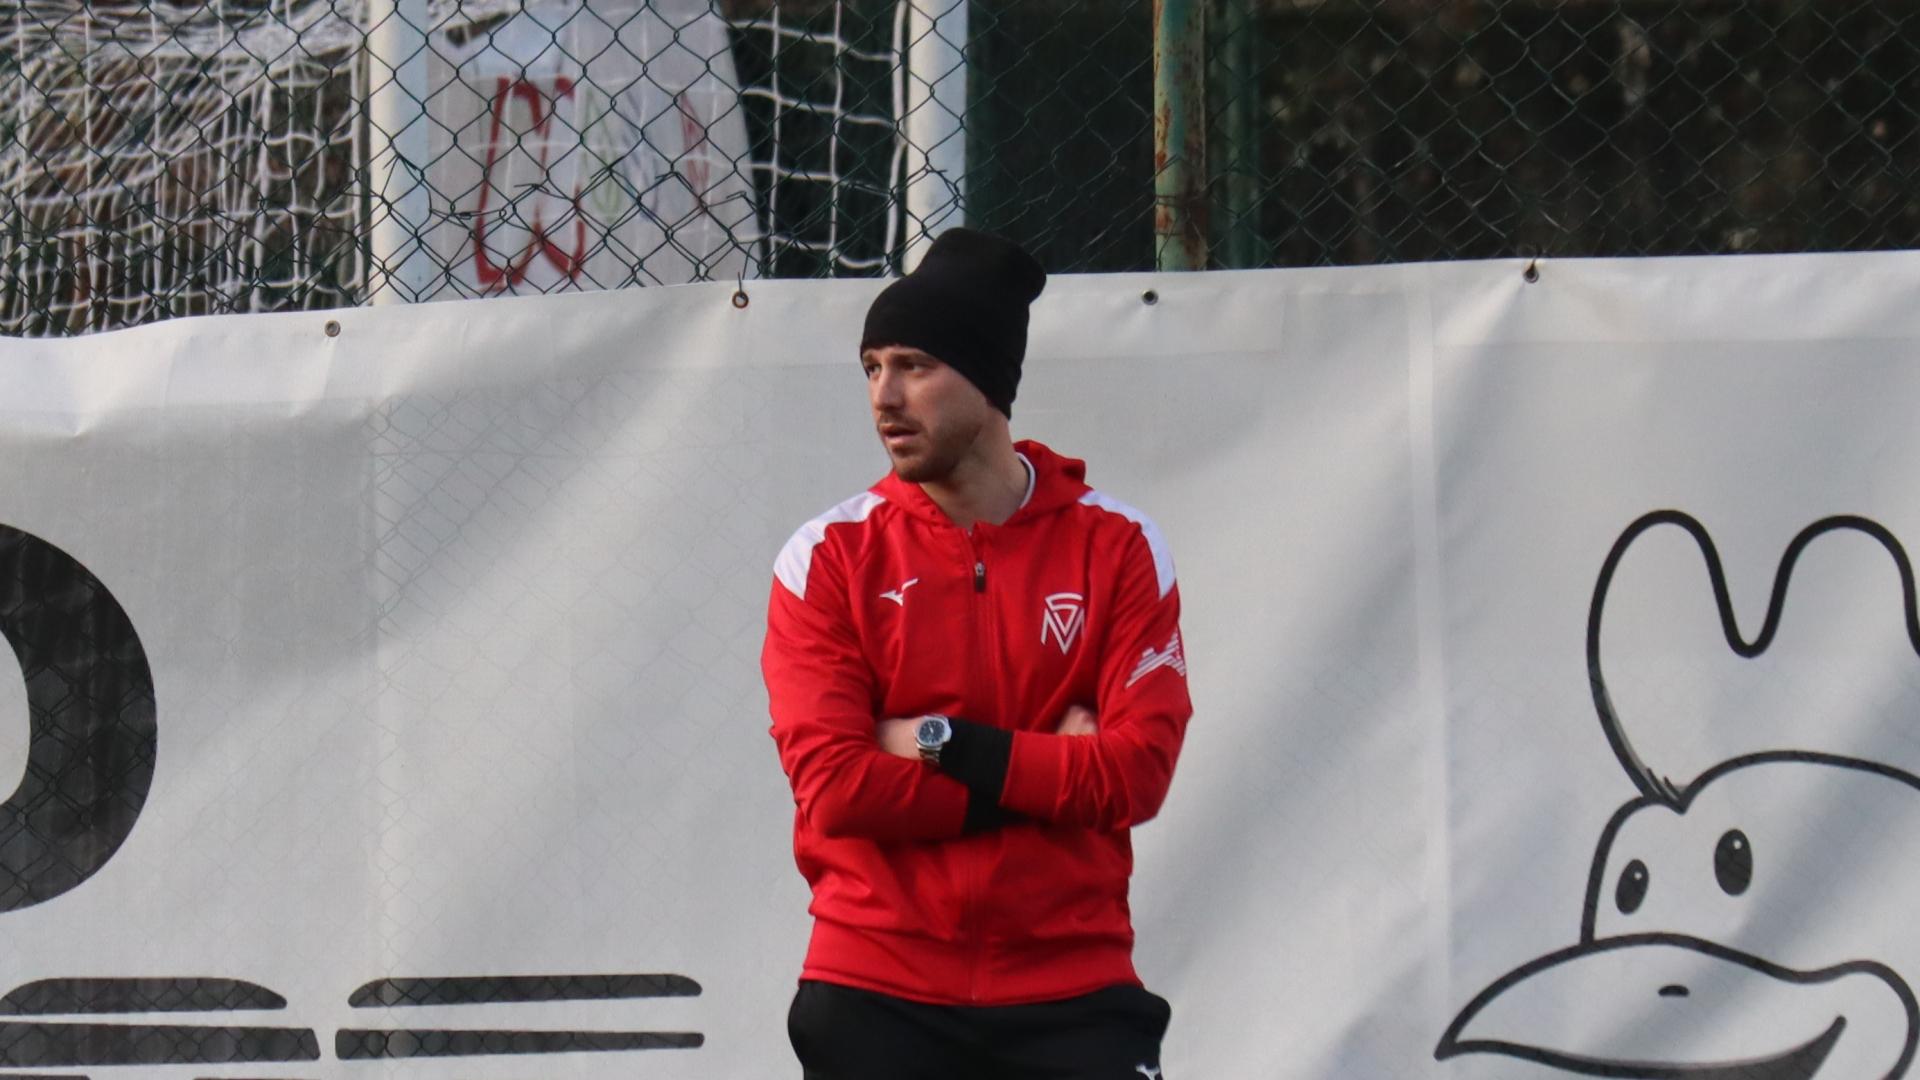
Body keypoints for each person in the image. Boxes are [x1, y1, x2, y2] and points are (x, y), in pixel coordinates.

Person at [762, 228, 1192, 1080]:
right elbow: (837, 787)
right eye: (871, 368)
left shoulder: (1119, 547)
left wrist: (938, 742)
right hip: (876, 985)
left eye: (915, 366)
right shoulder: (828, 556)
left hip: (1074, 986)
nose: (885, 397)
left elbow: (1135, 775)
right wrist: (1047, 780)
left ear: (989, 382)